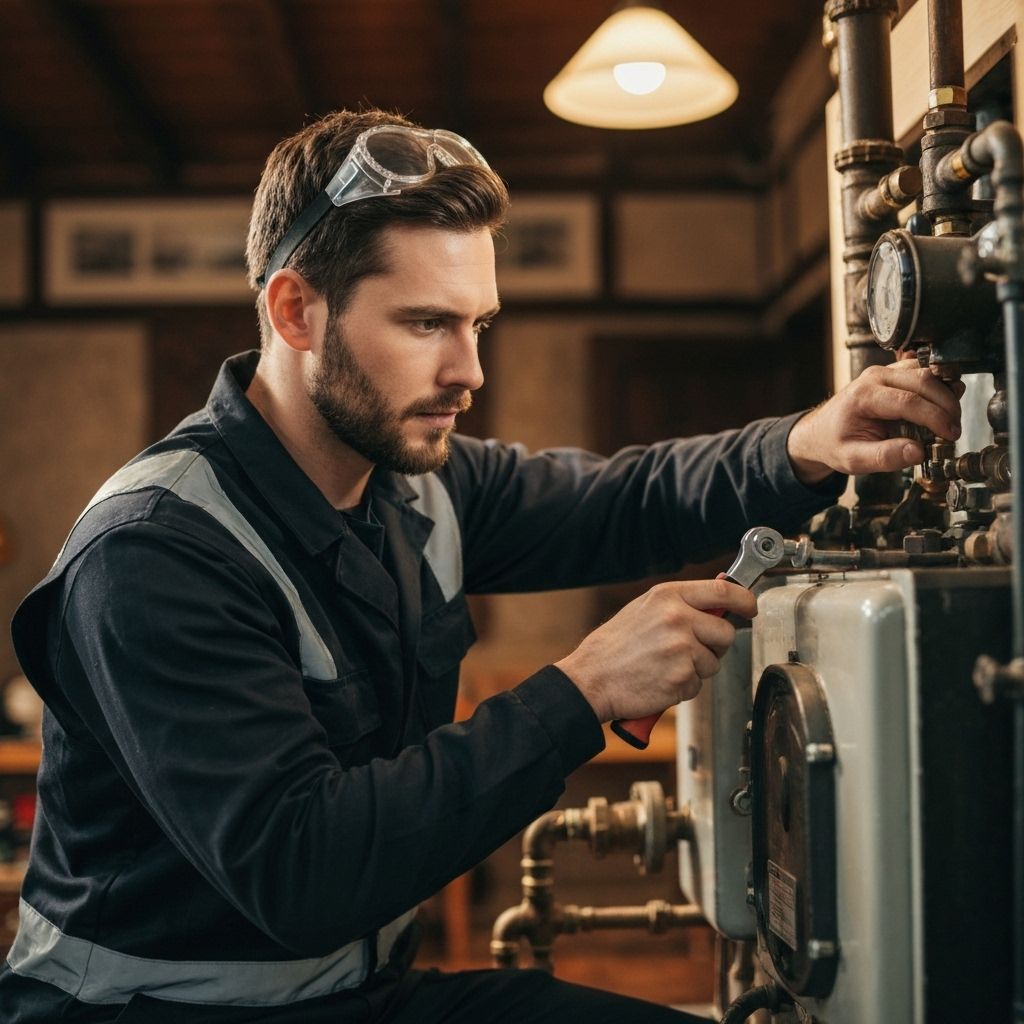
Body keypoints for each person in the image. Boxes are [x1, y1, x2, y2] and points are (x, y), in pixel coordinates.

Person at [0, 109, 963, 1024]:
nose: (470, 370)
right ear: (295, 311)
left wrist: (805, 441)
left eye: (480, 325)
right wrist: (582, 689)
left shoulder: (414, 484)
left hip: (352, 994)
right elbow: (303, 871)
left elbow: (624, 499)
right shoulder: (155, 552)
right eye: (427, 324)